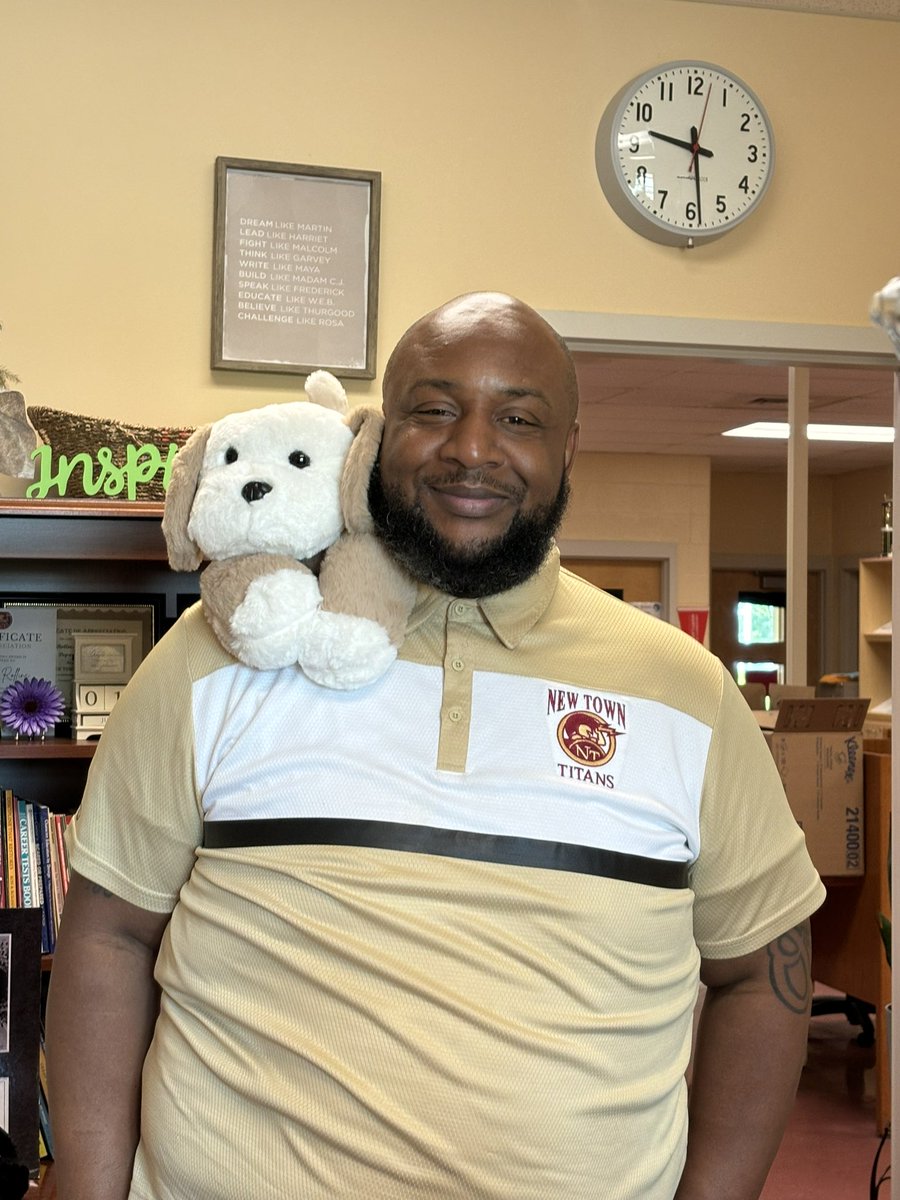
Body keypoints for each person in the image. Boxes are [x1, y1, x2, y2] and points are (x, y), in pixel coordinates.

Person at [45, 292, 825, 1200]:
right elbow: (109, 937)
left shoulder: (686, 693)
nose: (473, 448)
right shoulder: (218, 655)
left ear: (567, 448)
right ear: (375, 435)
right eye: (435, 409)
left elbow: (764, 972)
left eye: (519, 418)